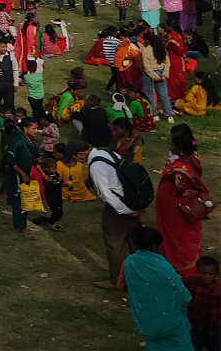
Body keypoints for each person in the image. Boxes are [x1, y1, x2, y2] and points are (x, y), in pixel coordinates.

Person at [77, 144, 143, 290]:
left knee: (114, 243)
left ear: (81, 154)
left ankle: (117, 280)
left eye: (76, 157)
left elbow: (107, 195)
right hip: (132, 200)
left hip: (119, 207)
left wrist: (125, 210)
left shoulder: (96, 167)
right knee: (134, 240)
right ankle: (141, 274)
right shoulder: (107, 153)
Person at [123, 225, 192, 351]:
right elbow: (183, 295)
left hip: (146, 322)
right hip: (171, 325)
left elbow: (121, 286)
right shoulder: (163, 267)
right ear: (155, 246)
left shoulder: (129, 262)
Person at [157, 124, 210, 274]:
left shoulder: (180, 168)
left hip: (173, 204)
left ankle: (177, 264)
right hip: (179, 201)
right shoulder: (191, 158)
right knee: (184, 234)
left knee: (175, 235)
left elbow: (180, 188)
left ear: (179, 149)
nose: (170, 145)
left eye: (172, 143)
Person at [2, 117, 40, 236]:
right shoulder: (18, 141)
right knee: (19, 202)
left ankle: (23, 224)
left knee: (25, 200)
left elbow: (31, 158)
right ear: (25, 128)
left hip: (25, 174)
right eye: (33, 128)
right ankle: (21, 228)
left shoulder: (29, 140)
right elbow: (10, 159)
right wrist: (23, 175)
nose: (36, 131)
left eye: (36, 128)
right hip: (17, 176)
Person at [183, 256, 221, 351]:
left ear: (216, 274)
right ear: (197, 271)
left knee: (214, 346)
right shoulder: (191, 282)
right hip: (195, 323)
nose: (206, 277)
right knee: (194, 346)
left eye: (210, 274)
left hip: (213, 326)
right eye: (203, 273)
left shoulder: (218, 290)